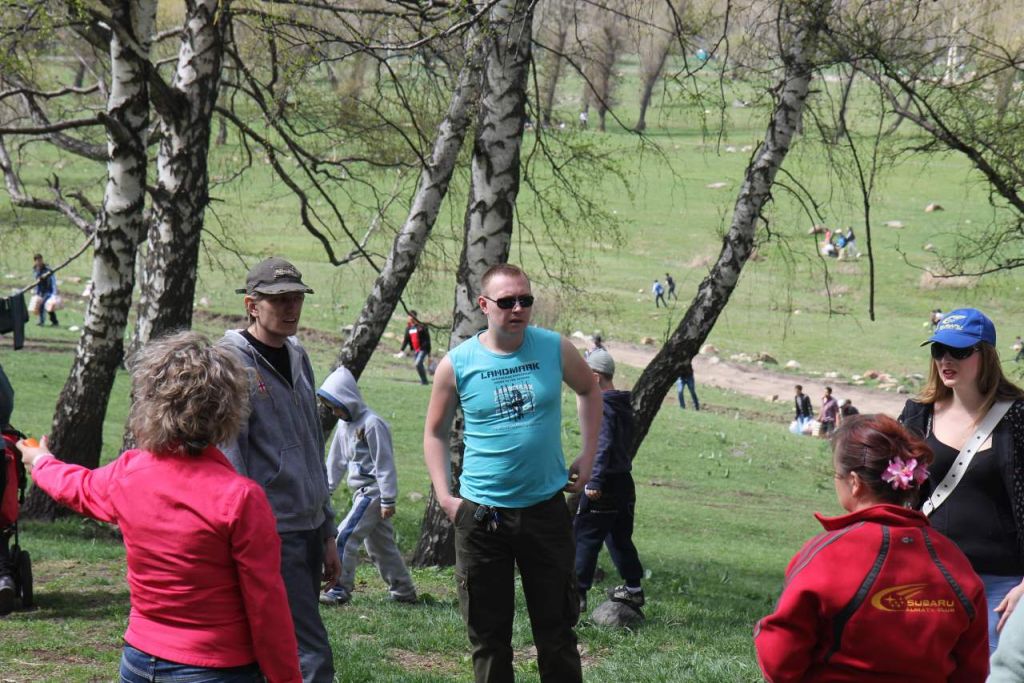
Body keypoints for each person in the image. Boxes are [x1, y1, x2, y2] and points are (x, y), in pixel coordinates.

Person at [16, 332, 303, 682]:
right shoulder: (241, 498)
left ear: (151, 401)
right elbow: (266, 605)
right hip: (215, 667)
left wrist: (41, 461)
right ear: (228, 408)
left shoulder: (130, 472)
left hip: (139, 661)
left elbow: (77, 487)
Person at [423, 263, 602, 683]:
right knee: (489, 639)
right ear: (484, 305)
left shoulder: (554, 348)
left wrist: (589, 454)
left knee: (557, 633)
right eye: (506, 301)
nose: (517, 308)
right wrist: (446, 498)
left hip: (545, 511)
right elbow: (434, 433)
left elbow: (590, 389)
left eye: (525, 300)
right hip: (483, 518)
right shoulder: (457, 364)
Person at [754, 414, 988, 682]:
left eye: (836, 475)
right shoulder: (953, 561)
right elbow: (973, 669)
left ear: (854, 482)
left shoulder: (825, 554)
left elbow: (780, 657)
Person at [220, 257, 339, 683]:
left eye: (296, 298)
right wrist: (247, 529)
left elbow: (312, 443)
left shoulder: (297, 353)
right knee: (309, 651)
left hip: (309, 524)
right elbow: (230, 455)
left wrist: (328, 530)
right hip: (270, 528)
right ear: (252, 305)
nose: (291, 308)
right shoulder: (230, 363)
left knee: (280, 644)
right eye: (279, 299)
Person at [899, 308, 1024, 652]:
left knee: (993, 672)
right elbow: (891, 492)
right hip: (927, 575)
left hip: (1001, 585)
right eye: (939, 350)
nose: (946, 360)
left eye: (959, 350)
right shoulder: (918, 414)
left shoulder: (1018, 417)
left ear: (986, 354)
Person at [318, 366, 417, 606]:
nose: (335, 412)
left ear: (348, 398)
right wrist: (325, 489)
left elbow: (384, 462)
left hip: (373, 493)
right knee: (381, 547)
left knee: (345, 535)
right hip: (359, 493)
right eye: (330, 408)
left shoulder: (372, 424)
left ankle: (339, 588)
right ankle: (403, 591)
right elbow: (336, 461)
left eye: (336, 406)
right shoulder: (344, 426)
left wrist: (388, 498)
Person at [573, 348, 644, 614]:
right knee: (619, 538)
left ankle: (576, 594)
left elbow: (602, 446)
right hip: (624, 481)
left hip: (604, 484)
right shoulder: (623, 405)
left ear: (594, 377)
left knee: (585, 537)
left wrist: (594, 481)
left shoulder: (601, 406)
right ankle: (634, 589)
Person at [400, 311, 432, 385]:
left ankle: (424, 381)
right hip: (415, 350)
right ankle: (424, 381)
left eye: (411, 316)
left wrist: (429, 351)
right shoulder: (409, 328)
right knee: (418, 365)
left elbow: (427, 339)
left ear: (415, 317)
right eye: (409, 316)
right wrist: (402, 349)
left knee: (418, 363)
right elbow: (406, 340)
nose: (409, 317)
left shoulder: (421, 326)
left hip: (423, 349)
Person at [31, 254, 58, 327]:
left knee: (42, 305)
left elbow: (53, 280)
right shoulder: (35, 269)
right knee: (48, 306)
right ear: (35, 261)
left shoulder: (47, 269)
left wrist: (54, 292)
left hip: (48, 290)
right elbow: (36, 280)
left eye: (40, 260)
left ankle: (41, 321)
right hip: (40, 291)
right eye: (38, 260)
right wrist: (35, 291)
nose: (39, 262)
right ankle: (55, 321)